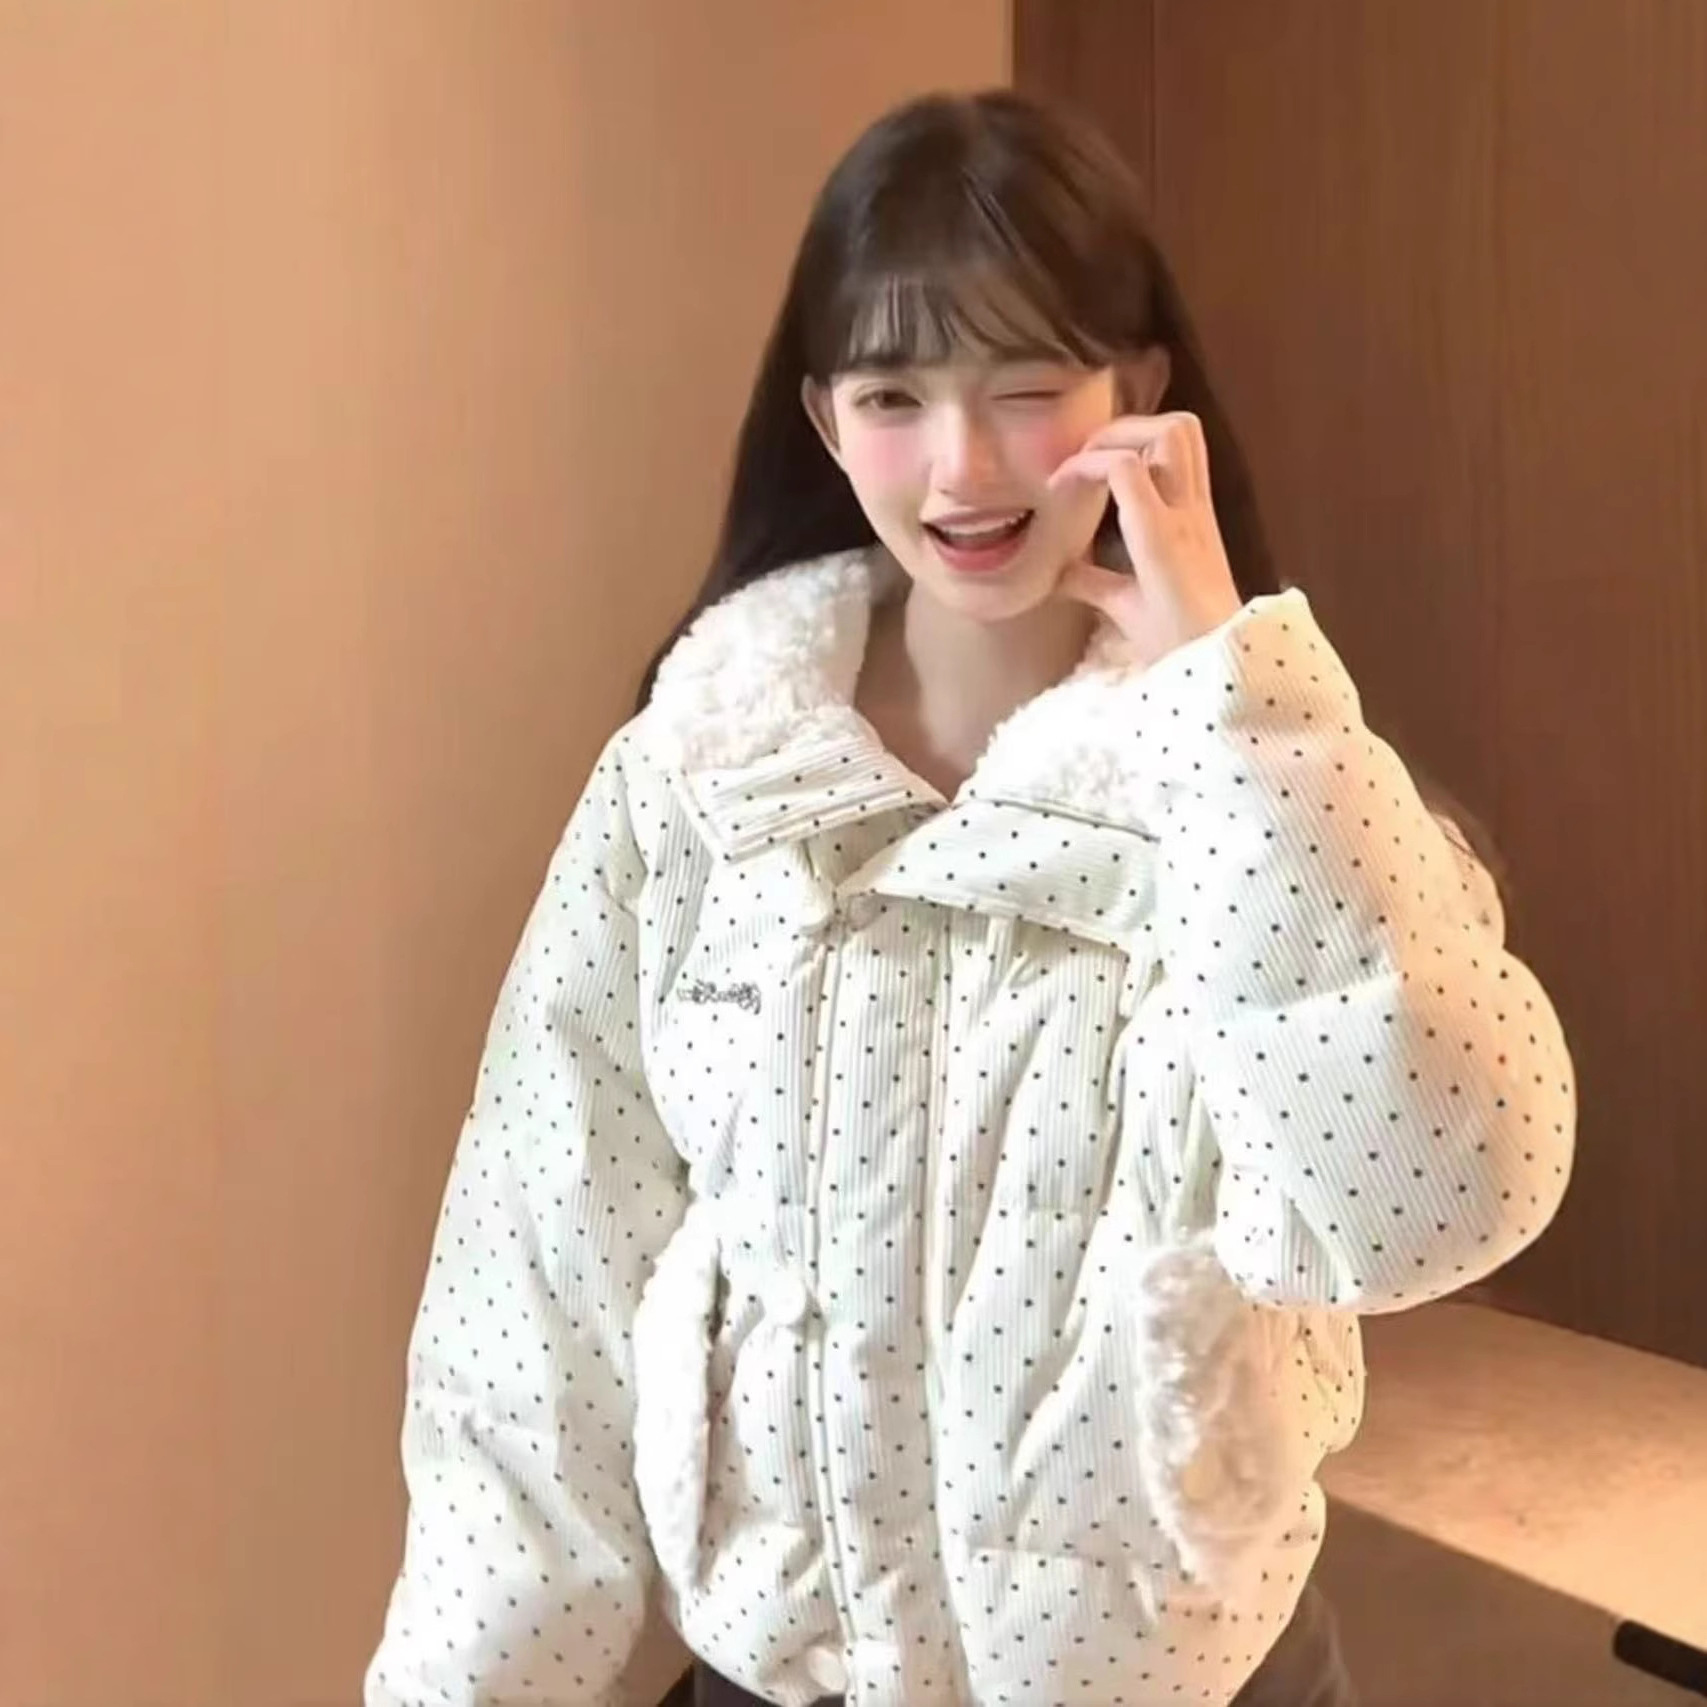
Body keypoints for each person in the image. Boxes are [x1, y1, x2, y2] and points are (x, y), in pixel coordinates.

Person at [365, 91, 1575, 1707]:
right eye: (895, 395)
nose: (965, 466)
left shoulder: (1265, 783)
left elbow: (1429, 1199)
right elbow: (534, 1304)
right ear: (823, 420)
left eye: (1026, 388)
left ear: (1141, 395)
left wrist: (1238, 704)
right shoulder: (695, 783)